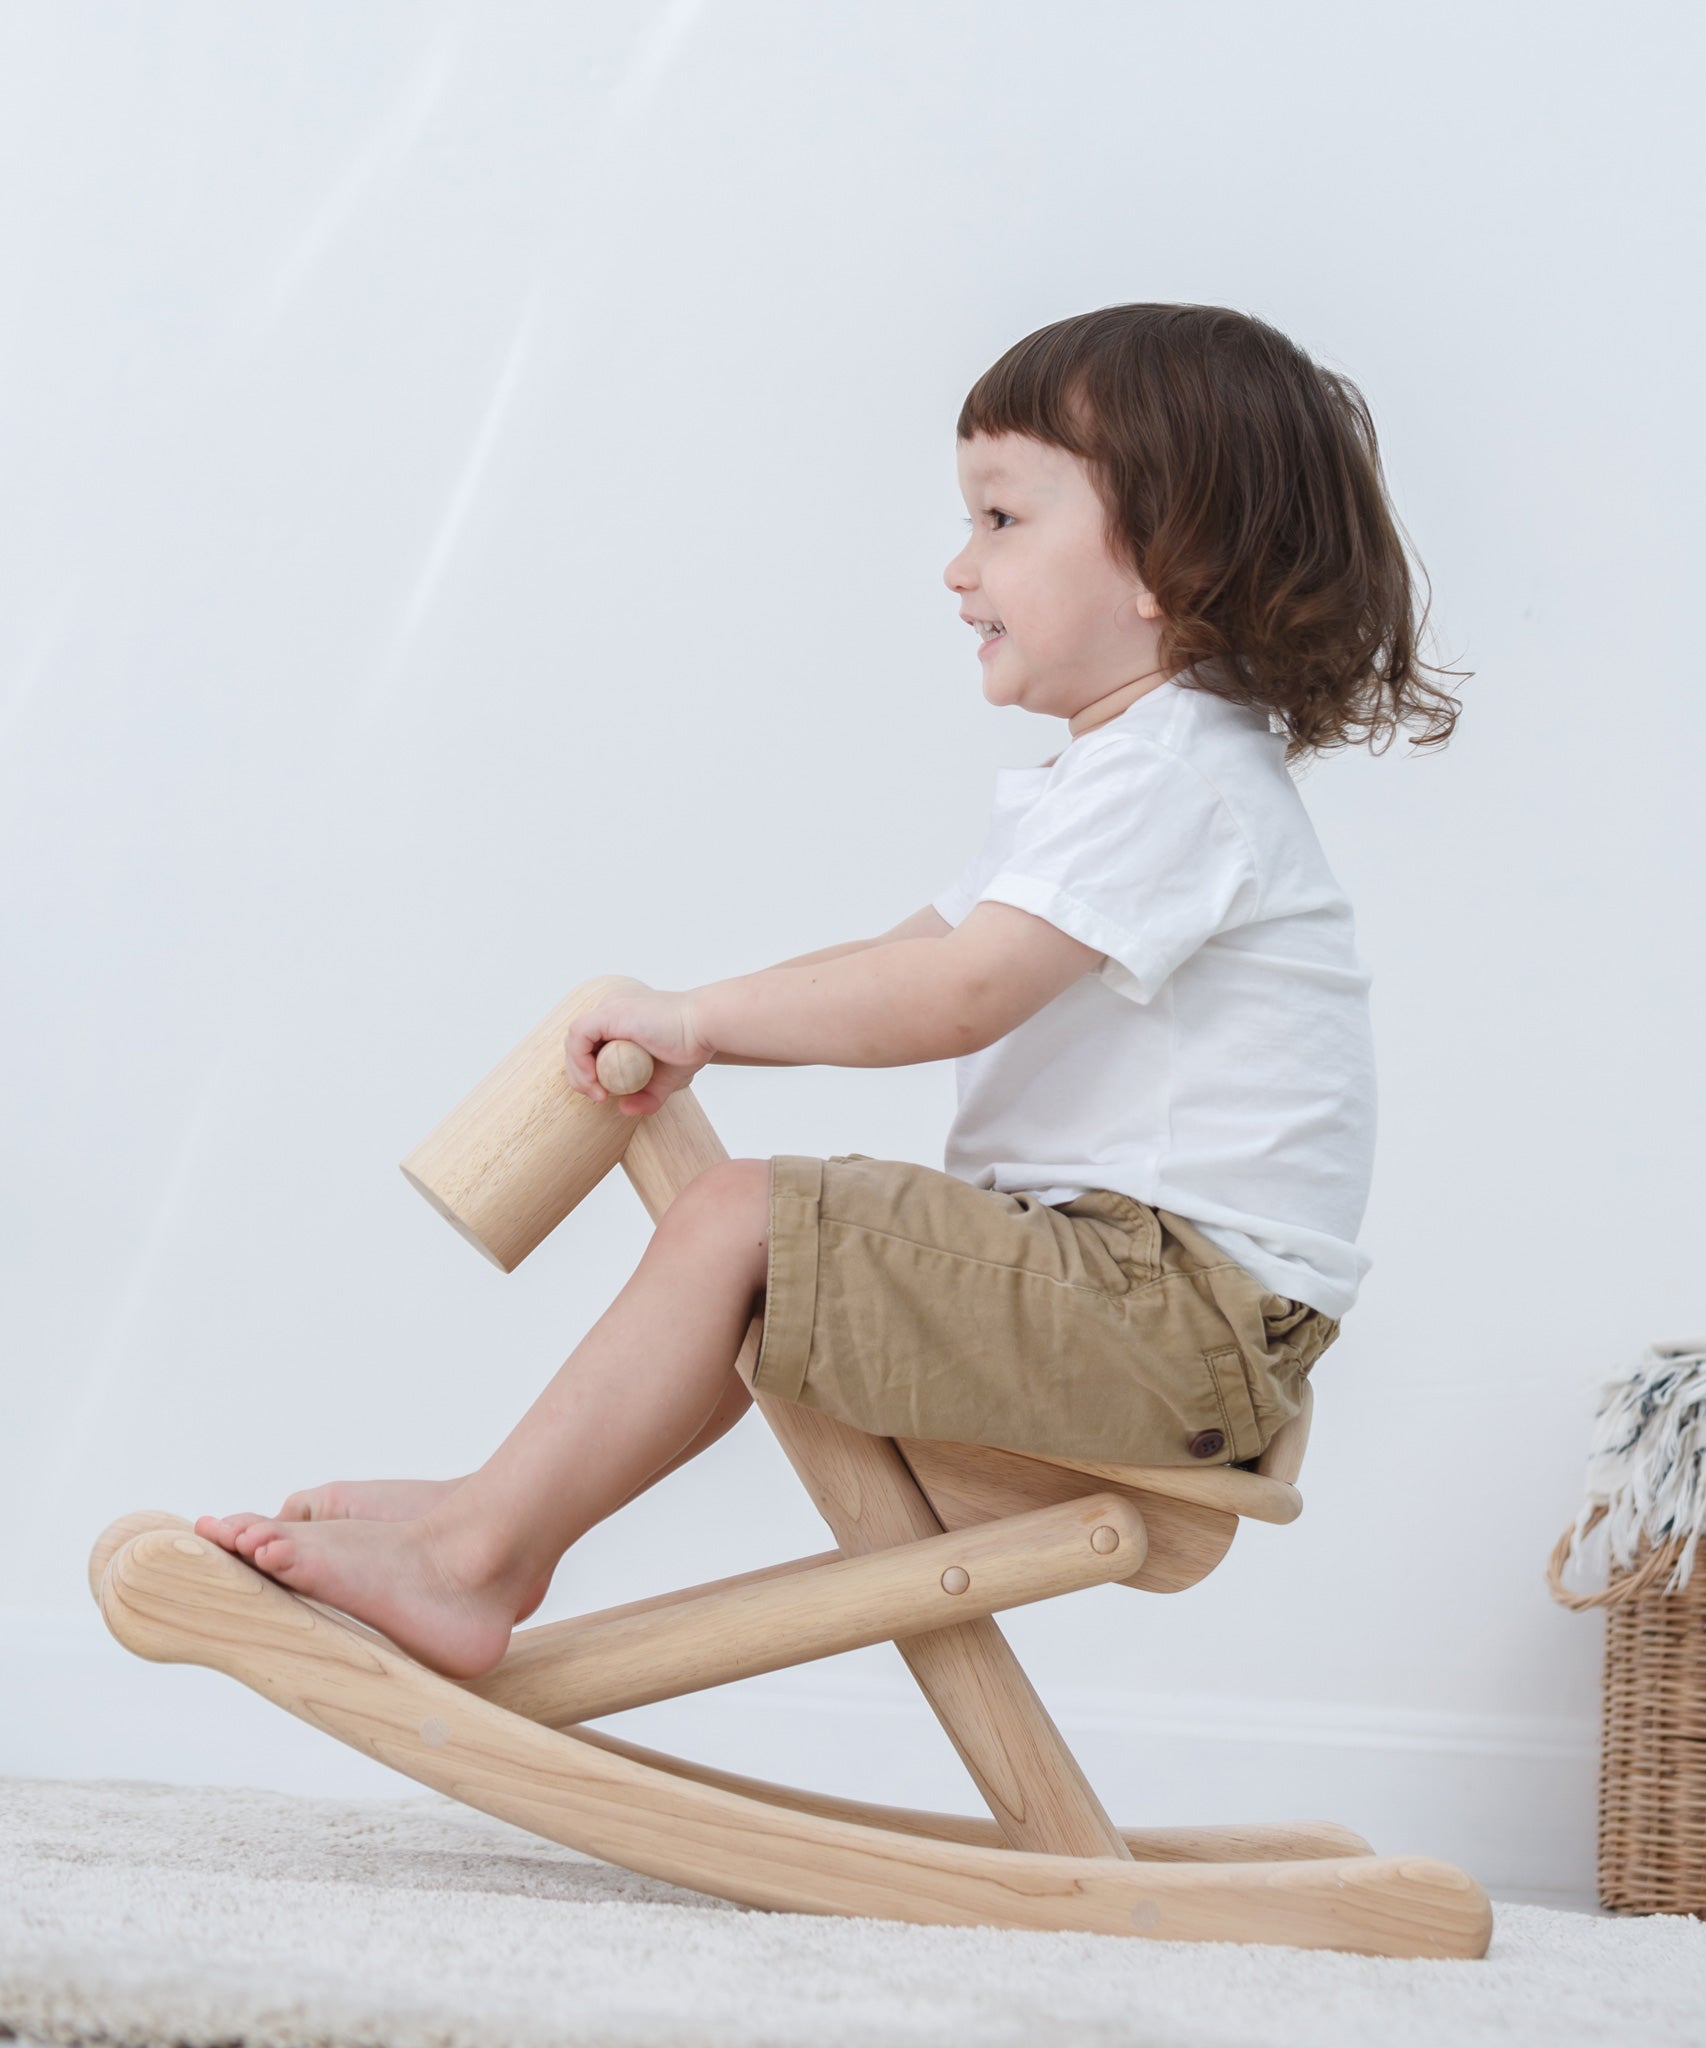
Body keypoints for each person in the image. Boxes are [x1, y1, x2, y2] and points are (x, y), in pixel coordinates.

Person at [196, 302, 1463, 1679]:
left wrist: (697, 1024)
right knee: (747, 1227)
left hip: (1171, 1317)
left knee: (743, 1219)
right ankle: (504, 1511)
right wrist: (701, 1018)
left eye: (999, 519)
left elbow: (959, 995)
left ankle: (483, 1555)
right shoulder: (1113, 778)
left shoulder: (1171, 775)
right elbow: (904, 956)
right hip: (1142, 1297)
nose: (954, 567)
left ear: (1168, 557)